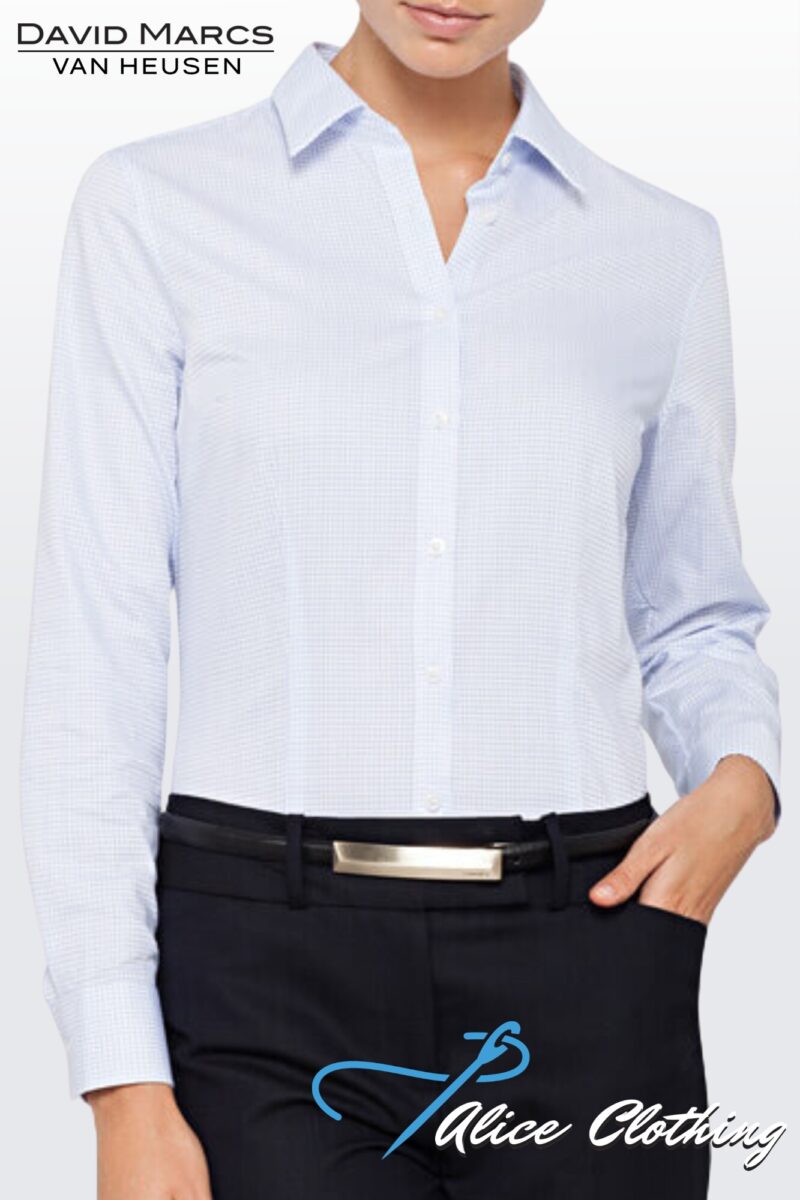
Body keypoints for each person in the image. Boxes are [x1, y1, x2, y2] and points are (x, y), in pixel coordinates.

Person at [19, 2, 781, 1198]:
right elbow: (96, 645)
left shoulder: (659, 248)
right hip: (259, 977)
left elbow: (689, 614)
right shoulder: (157, 208)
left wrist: (742, 776)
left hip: (585, 953)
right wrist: (120, 1078)